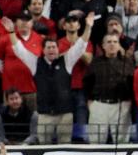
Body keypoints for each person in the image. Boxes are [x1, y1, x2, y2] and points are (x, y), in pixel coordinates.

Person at [7, 12, 92, 145]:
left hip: (65, 114)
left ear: (58, 50)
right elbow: (19, 50)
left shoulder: (67, 60)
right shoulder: (35, 62)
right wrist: (11, 31)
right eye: (48, 47)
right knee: (43, 147)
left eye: (54, 47)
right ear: (43, 50)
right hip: (44, 114)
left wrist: (88, 27)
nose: (52, 50)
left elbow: (81, 45)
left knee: (65, 147)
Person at [83, 32, 136, 144]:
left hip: (121, 105)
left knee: (122, 142)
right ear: (103, 45)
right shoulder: (95, 62)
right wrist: (89, 102)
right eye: (109, 42)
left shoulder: (127, 62)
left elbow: (133, 84)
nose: (112, 44)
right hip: (99, 105)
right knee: (96, 141)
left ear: (118, 45)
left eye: (115, 42)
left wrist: (130, 103)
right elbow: (87, 83)